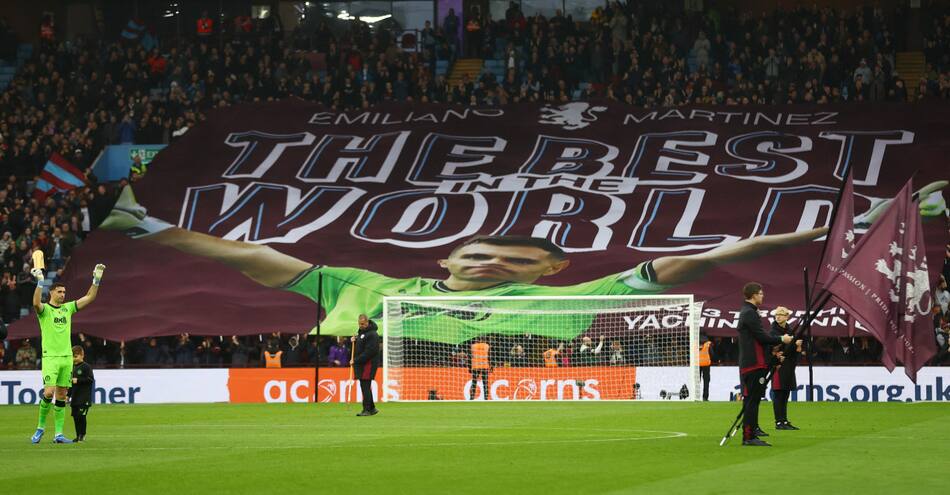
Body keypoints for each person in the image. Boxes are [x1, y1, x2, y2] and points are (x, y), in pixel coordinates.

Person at [99, 186, 862, 342]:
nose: (488, 260)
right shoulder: (373, 287)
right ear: (450, 251)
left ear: (545, 275)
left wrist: (852, 222)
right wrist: (148, 226)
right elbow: (247, 256)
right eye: (480, 248)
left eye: (514, 260)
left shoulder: (583, 294)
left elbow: (718, 253)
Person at [30, 262, 105, 444]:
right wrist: (40, 282)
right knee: (48, 393)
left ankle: (58, 434)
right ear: (52, 293)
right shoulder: (45, 311)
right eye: (59, 292)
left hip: (66, 358)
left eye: (64, 292)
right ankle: (40, 428)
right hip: (50, 358)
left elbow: (89, 297)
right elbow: (35, 303)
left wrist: (96, 279)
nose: (63, 295)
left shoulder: (68, 308)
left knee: (62, 395)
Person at [737, 282, 792, 447]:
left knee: (752, 400)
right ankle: (749, 437)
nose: (763, 296)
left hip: (753, 363)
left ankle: (751, 434)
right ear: (753, 295)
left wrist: (772, 354)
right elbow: (761, 337)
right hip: (753, 364)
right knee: (752, 401)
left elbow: (759, 339)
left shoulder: (749, 312)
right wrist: (782, 339)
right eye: (760, 293)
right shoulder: (749, 313)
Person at [770, 306, 802, 430]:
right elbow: (774, 346)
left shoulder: (790, 330)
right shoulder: (773, 332)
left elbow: (791, 349)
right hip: (778, 366)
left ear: (787, 316)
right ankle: (779, 421)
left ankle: (784, 420)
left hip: (789, 365)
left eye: (781, 314)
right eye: (777, 314)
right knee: (778, 393)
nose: (778, 316)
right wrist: (794, 344)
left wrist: (796, 346)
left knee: (785, 393)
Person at [351, 314, 381, 416]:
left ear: (368, 322)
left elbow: (370, 351)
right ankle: (371, 408)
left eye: (363, 324)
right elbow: (360, 347)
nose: (361, 326)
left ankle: (367, 409)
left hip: (368, 363)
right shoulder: (361, 334)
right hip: (363, 364)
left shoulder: (372, 334)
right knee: (365, 385)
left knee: (365, 385)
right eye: (359, 324)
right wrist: (354, 341)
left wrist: (356, 360)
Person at [69, 345, 94, 442]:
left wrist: (78, 380)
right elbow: (70, 384)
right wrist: (68, 395)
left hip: (84, 398)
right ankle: (77, 435)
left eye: (75, 356)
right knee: (75, 417)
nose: (74, 359)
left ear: (82, 355)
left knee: (81, 416)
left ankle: (82, 435)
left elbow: (90, 380)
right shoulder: (71, 368)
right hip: (75, 398)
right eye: (72, 356)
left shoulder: (86, 367)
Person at [699, 332, 714, 401]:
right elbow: (712, 353)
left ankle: (696, 396)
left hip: (697, 364)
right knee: (706, 381)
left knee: (697, 381)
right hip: (706, 364)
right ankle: (705, 397)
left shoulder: (695, 342)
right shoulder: (708, 343)